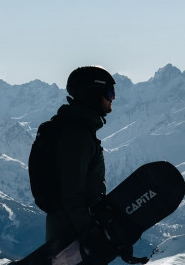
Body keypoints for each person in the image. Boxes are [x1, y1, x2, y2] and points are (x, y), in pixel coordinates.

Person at [45, 66, 115, 246]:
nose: (112, 98)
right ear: (92, 95)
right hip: (72, 236)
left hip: (71, 231)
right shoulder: (78, 136)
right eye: (109, 92)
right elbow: (72, 194)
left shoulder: (78, 130)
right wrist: (91, 234)